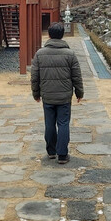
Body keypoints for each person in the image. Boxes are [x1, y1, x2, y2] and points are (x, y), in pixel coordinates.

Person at [31, 22, 83, 164]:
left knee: (49, 123)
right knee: (63, 123)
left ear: (49, 35)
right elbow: (76, 76)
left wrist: (36, 94)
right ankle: (62, 155)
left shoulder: (40, 54)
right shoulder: (70, 54)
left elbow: (35, 76)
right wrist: (79, 92)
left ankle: (51, 151)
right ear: (62, 35)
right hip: (64, 96)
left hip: (47, 95)